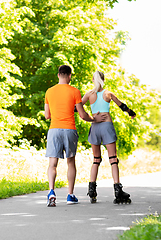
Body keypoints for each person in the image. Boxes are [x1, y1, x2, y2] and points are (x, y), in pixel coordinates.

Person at [44, 65, 105, 207]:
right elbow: (83, 115)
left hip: (54, 130)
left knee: (52, 164)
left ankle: (51, 192)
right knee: (70, 162)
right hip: (69, 130)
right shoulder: (75, 91)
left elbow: (47, 115)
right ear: (70, 76)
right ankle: (70, 195)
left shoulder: (49, 91)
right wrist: (94, 119)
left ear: (58, 75)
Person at [81, 71, 136, 204]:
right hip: (106, 125)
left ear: (93, 79)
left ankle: (92, 190)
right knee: (113, 159)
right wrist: (131, 113)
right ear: (103, 79)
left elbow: (77, 108)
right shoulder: (108, 93)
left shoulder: (89, 94)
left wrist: (92, 117)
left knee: (96, 159)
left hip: (94, 126)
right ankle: (118, 190)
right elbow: (122, 106)